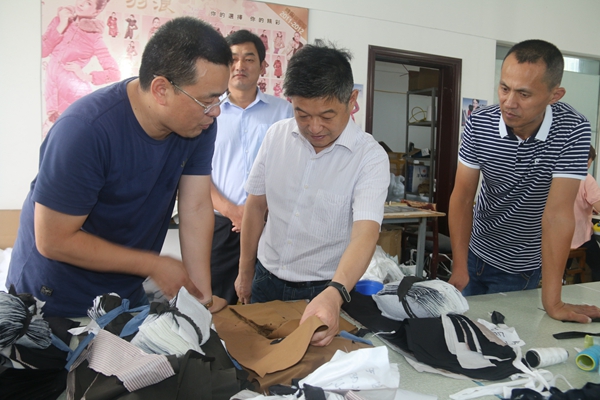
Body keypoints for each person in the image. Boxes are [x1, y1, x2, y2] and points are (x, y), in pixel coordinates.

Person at [7, 17, 232, 318]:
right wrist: (153, 265)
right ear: (161, 90)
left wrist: (200, 300)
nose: (216, 111)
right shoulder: (86, 130)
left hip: (124, 290)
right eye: (207, 100)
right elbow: (53, 240)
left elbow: (196, 207)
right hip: (55, 295)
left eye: (220, 97)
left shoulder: (198, 125)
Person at [235, 42, 390, 346]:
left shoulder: (369, 157)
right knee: (256, 357)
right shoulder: (276, 136)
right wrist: (245, 270)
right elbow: (254, 206)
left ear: (351, 100)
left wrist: (336, 293)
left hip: (323, 290)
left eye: (327, 115)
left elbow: (365, 234)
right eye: (302, 114)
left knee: (312, 367)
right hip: (265, 277)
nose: (315, 127)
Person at [448, 39, 600, 323]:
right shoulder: (479, 123)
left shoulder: (573, 129)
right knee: (461, 331)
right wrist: (459, 265)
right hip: (474, 251)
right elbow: (463, 197)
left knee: (508, 337)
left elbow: (557, 216)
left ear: (555, 95)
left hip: (523, 265)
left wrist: (553, 302)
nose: (509, 103)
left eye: (524, 94)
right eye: (504, 88)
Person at [210, 29, 292, 304]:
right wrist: (232, 211)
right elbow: (195, 173)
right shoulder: (207, 111)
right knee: (216, 304)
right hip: (221, 226)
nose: (240, 66)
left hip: (271, 224)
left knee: (266, 306)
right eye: (233, 59)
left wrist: (259, 210)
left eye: (249, 58)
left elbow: (291, 168)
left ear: (263, 66)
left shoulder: (284, 113)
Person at [42, 0, 120, 128]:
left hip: (75, 100)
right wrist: (62, 25)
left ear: (96, 11)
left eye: (89, 3)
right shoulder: (59, 20)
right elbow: (42, 51)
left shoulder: (94, 38)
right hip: (51, 97)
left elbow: (115, 73)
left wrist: (85, 76)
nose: (81, 3)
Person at [570, 145, 600, 282]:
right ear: (588, 160)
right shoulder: (587, 178)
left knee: (563, 269)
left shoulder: (557, 177)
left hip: (558, 238)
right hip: (580, 236)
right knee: (597, 267)